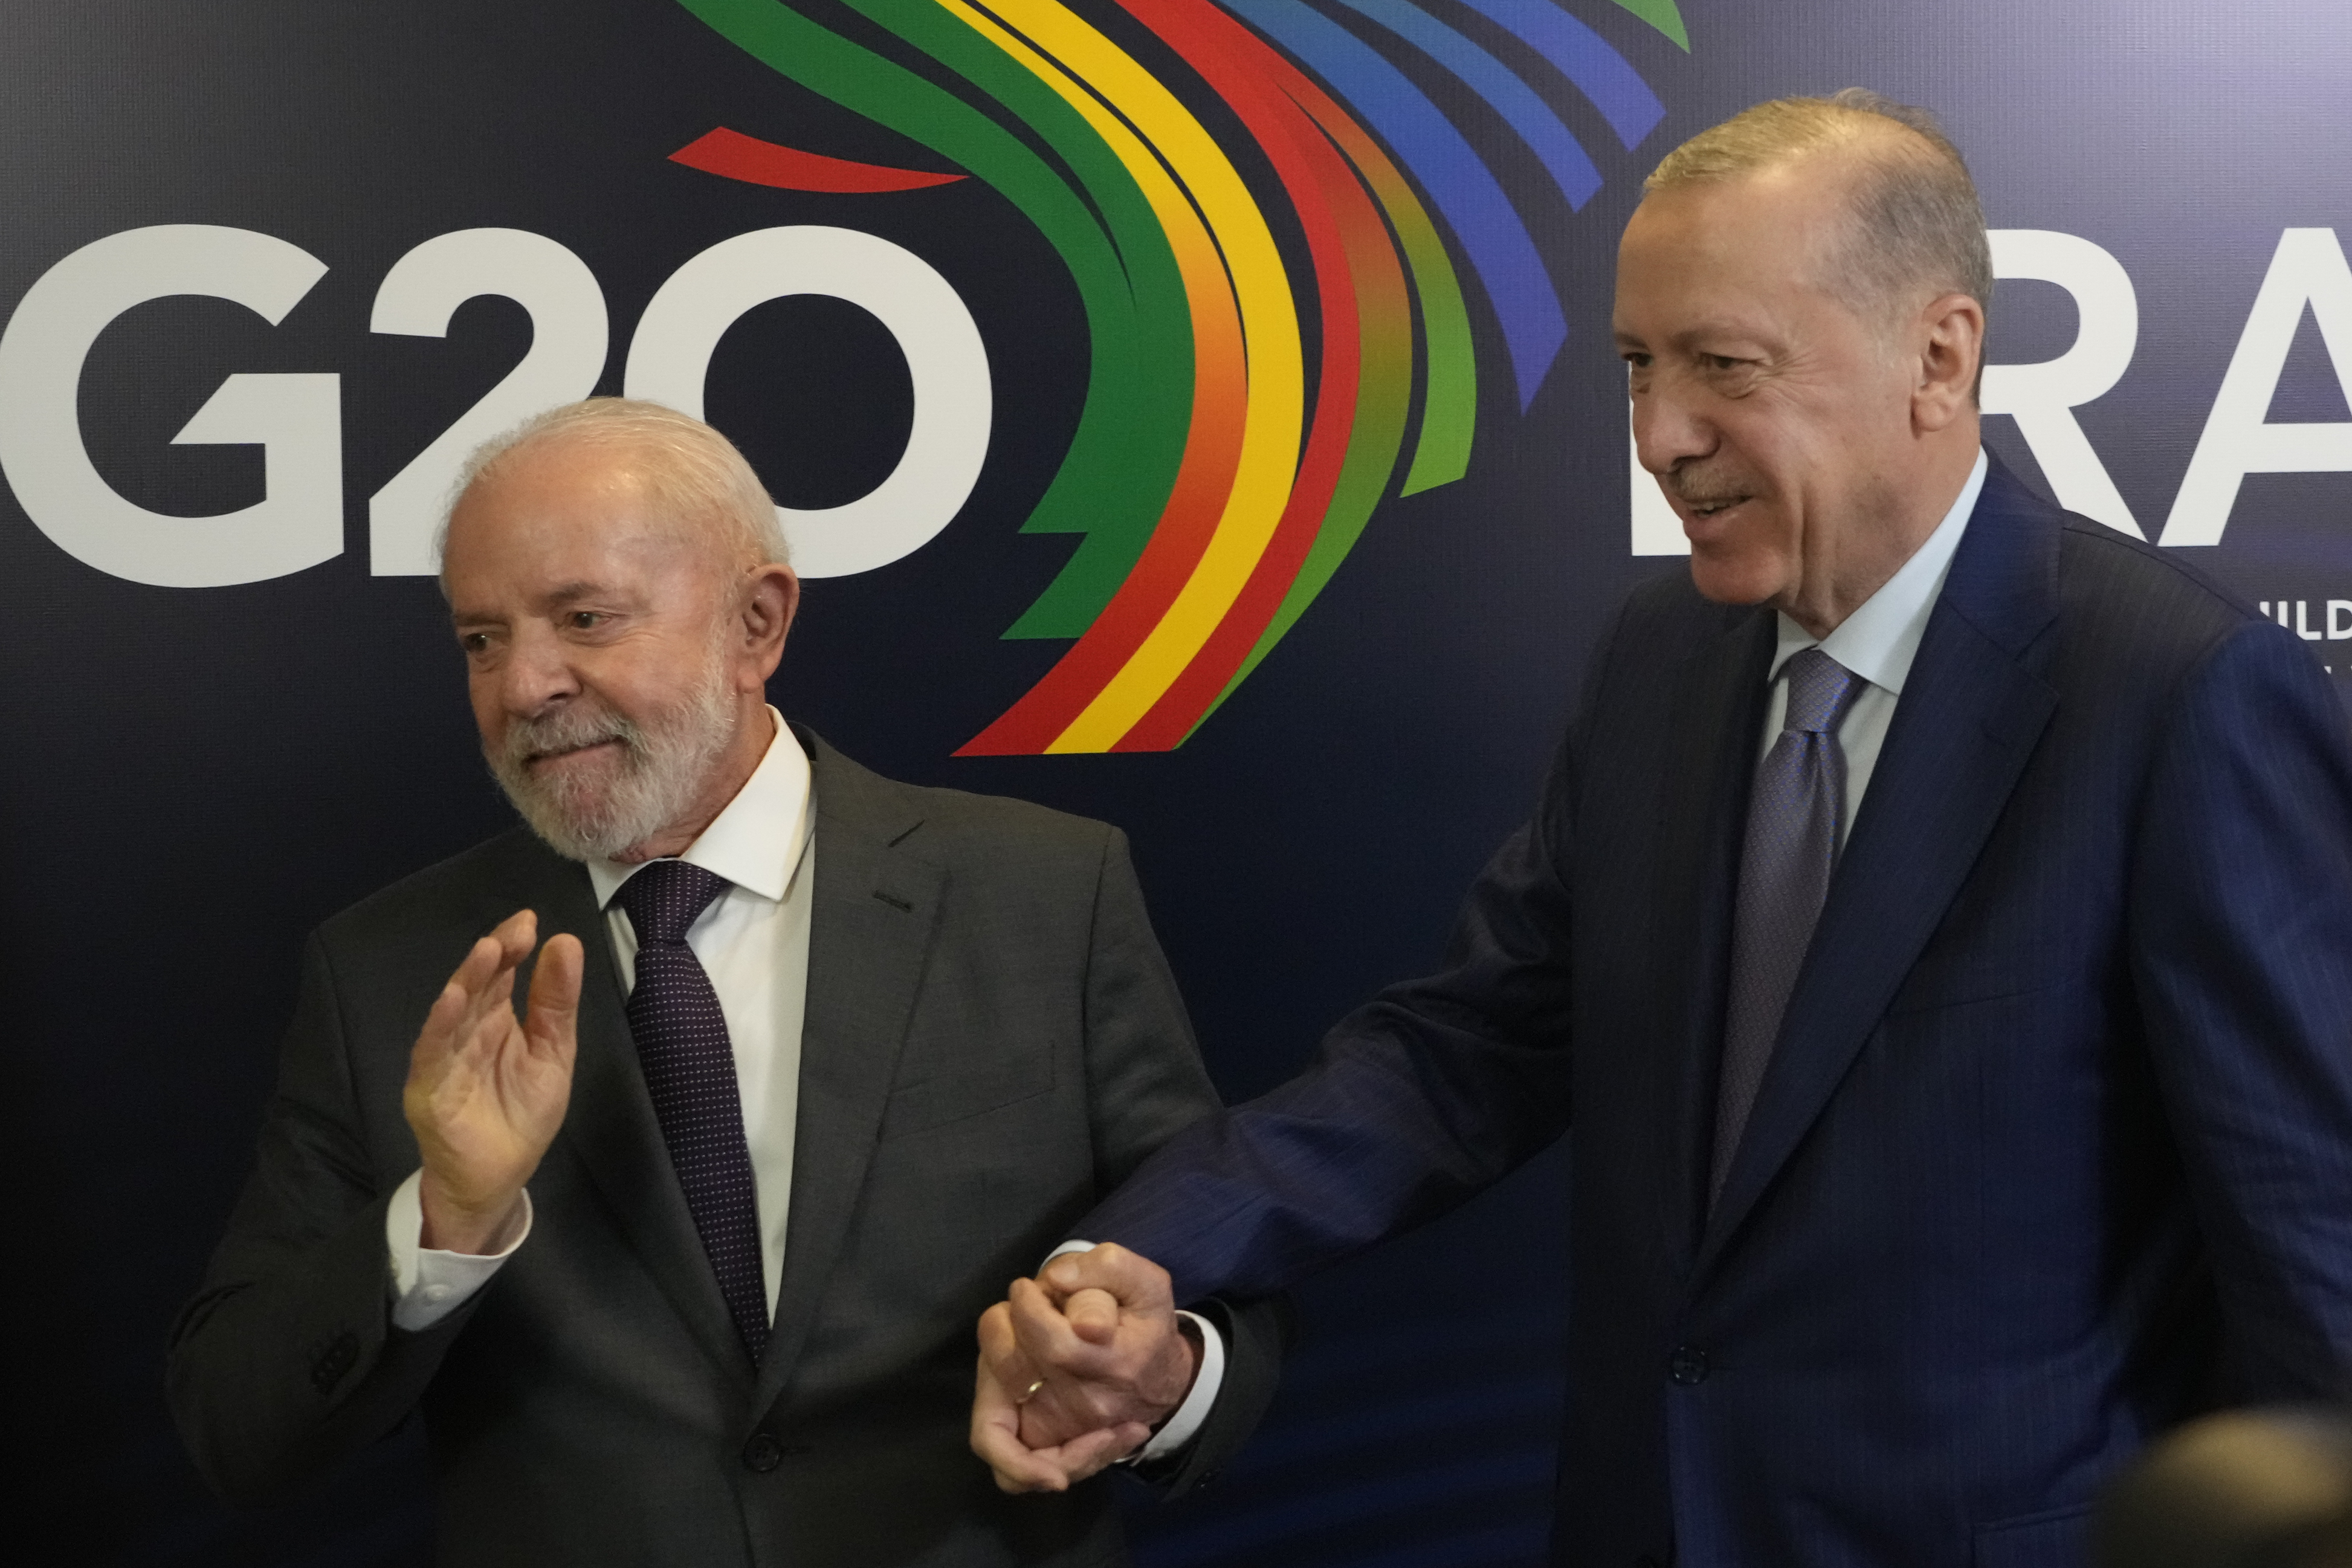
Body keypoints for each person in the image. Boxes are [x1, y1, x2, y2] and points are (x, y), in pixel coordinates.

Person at [970, 92, 2352, 1567]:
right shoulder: (1656, 662)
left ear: (1937, 359)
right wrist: (1141, 1253)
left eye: (1721, 367)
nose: (1658, 435)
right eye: (1636, 366)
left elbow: (2311, 1252)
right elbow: (1469, 1051)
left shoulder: (2176, 694)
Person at [166, 399, 1282, 1567]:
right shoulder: (388, 971)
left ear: (757, 623)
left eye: (583, 618)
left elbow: (1215, 1269)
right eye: (480, 641)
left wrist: (1167, 1373)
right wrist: (445, 1219)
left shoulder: (1046, 895)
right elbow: (236, 1428)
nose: (525, 686)